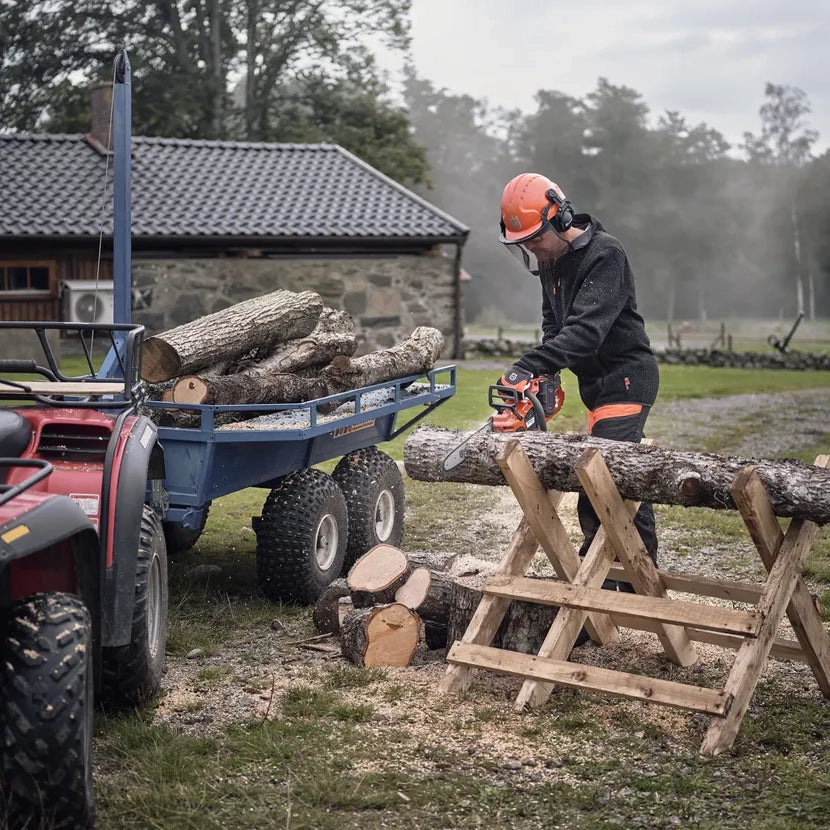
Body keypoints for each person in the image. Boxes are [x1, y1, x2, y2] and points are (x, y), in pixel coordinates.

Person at [497, 172, 659, 583]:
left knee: (601, 479)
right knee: (622, 475)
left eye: (535, 238)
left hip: (625, 378)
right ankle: (638, 574)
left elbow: (586, 333)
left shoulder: (606, 255)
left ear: (560, 217)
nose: (532, 248)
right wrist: (545, 374)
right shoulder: (551, 265)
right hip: (596, 386)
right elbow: (555, 327)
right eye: (524, 243)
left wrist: (528, 365)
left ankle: (601, 578)